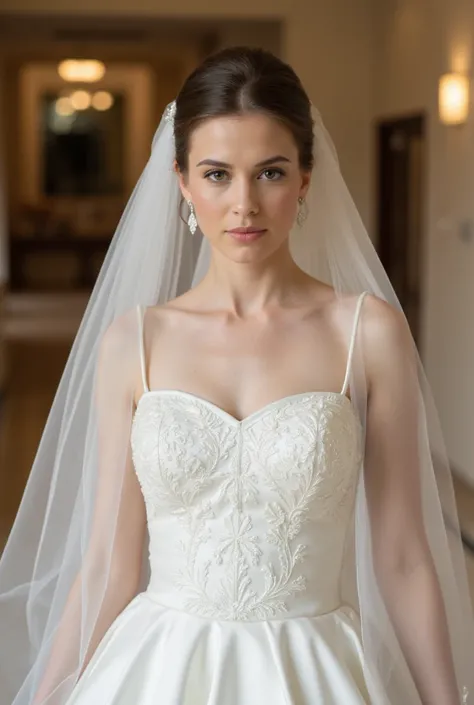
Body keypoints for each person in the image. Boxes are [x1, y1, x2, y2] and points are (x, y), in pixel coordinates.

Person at [0, 46, 472, 705]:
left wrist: (445, 698)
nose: (244, 203)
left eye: (270, 172)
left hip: (313, 672)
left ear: (305, 179)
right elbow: (110, 559)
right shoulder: (134, 342)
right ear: (183, 181)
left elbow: (403, 555)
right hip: (158, 670)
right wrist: (48, 692)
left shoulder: (367, 333)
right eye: (218, 173)